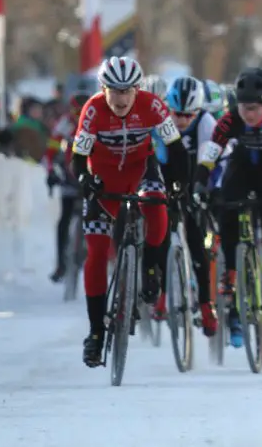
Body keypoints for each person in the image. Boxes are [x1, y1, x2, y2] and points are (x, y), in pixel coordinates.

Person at [72, 56, 189, 367]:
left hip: (141, 168)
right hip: (104, 179)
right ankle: (96, 332)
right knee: (96, 253)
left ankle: (151, 268)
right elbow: (78, 156)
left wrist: (179, 182)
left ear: (138, 90)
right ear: (103, 88)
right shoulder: (93, 109)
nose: (121, 99)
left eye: (127, 91)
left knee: (157, 205)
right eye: (114, 91)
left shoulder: (152, 106)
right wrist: (85, 178)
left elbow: (175, 149)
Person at [194, 67, 262, 351]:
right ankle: (231, 271)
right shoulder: (231, 120)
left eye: (253, 108)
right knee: (225, 204)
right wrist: (202, 181)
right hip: (244, 170)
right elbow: (211, 153)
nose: (247, 114)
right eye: (242, 107)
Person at [151, 76, 219, 337]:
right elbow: (156, 156)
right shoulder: (160, 122)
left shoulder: (205, 123)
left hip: (193, 183)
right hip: (165, 180)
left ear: (198, 111)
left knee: (196, 239)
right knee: (160, 238)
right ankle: (164, 293)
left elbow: (206, 159)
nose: (182, 120)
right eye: (177, 114)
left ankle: (205, 304)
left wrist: (200, 191)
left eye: (188, 115)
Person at [45, 91, 92, 282]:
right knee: (63, 220)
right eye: (75, 112)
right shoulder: (65, 123)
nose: (78, 116)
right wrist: (51, 172)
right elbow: (51, 150)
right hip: (69, 177)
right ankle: (60, 264)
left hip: (91, 176)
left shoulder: (97, 121)